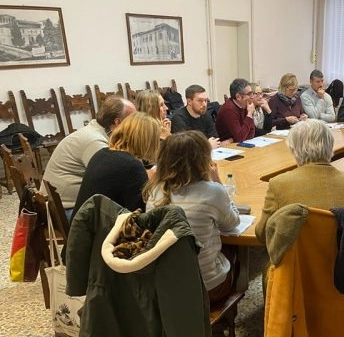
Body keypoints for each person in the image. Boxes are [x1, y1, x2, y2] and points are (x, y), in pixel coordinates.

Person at [143, 131, 240, 303]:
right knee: (236, 251)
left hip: (167, 285)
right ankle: (230, 308)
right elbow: (232, 224)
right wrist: (217, 181)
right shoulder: (212, 191)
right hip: (208, 288)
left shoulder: (155, 190)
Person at [255, 119, 344, 243]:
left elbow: (262, 234)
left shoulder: (278, 184)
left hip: (298, 262)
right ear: (331, 145)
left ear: (294, 150)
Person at [42, 96, 136, 218]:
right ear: (118, 122)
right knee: (130, 216)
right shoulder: (95, 141)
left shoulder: (95, 130)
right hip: (64, 212)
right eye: (134, 120)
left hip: (60, 205)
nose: (137, 124)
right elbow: (113, 181)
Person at [71, 112, 161, 221]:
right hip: (103, 234)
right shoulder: (131, 166)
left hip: (83, 228)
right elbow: (139, 215)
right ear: (147, 140)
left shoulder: (102, 153)